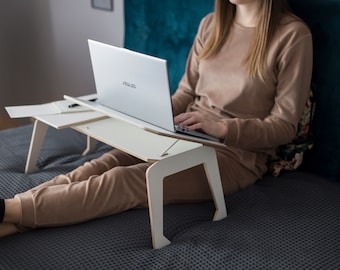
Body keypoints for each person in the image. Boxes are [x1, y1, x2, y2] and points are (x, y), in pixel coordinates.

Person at [0, 0, 313, 237]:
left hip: (234, 155)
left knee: (128, 180)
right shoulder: (211, 25)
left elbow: (283, 127)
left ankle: (10, 210)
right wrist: (146, 109)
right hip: (185, 131)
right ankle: (14, 210)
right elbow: (185, 94)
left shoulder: (292, 36)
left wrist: (223, 128)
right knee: (103, 163)